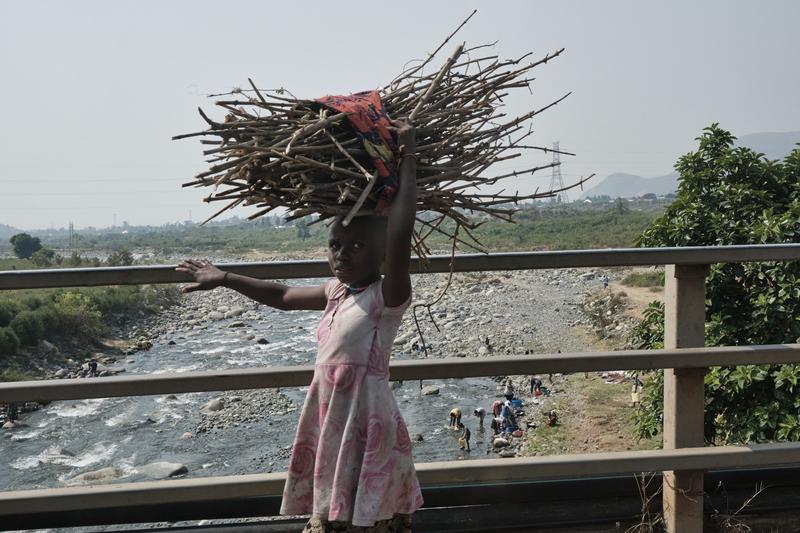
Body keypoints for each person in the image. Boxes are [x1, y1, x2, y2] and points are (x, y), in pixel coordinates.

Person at [176, 118, 422, 531]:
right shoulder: (335, 293)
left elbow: (401, 231)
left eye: (358, 246)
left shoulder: (386, 297)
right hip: (330, 415)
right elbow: (284, 296)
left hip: (367, 422)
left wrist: (408, 156)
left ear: (383, 256)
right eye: (335, 245)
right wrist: (225, 278)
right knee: (334, 510)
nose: (342, 255)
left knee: (373, 514)